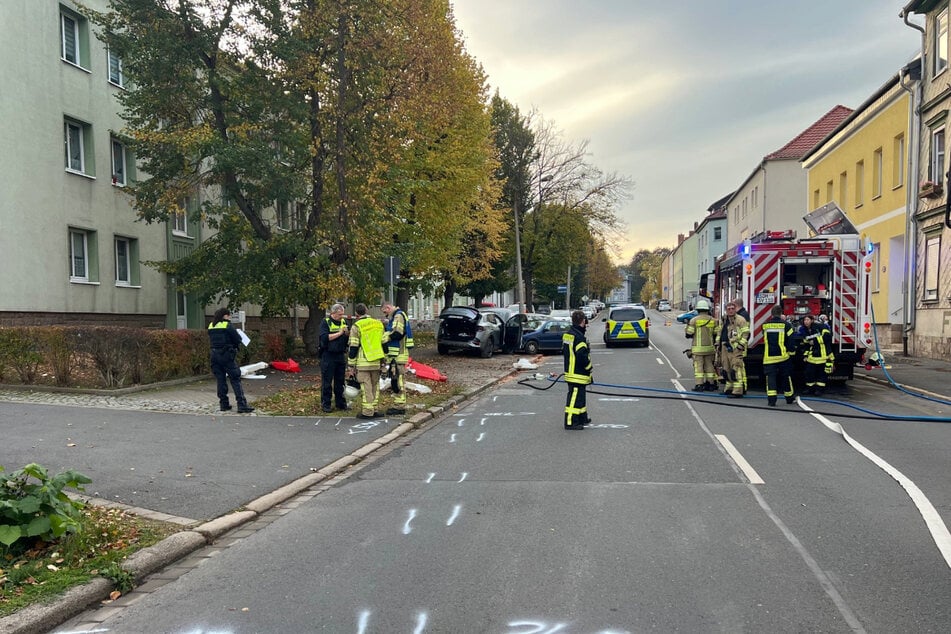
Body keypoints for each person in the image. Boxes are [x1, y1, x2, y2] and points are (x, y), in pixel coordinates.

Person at [207, 307, 254, 413]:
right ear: (225, 316)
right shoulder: (227, 325)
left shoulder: (211, 326)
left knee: (221, 380)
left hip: (214, 356)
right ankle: (241, 405)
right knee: (235, 379)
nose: (230, 318)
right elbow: (237, 339)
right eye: (229, 316)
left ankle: (224, 404)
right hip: (226, 355)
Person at [348, 303, 386, 419]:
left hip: (363, 362)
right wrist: (384, 361)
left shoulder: (357, 326)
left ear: (356, 314)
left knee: (366, 387)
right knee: (375, 386)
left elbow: (354, 347)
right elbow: (384, 343)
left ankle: (367, 412)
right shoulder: (378, 324)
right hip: (377, 361)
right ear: (367, 310)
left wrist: (351, 365)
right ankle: (374, 409)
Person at [562, 310, 593, 430]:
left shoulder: (568, 334)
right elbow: (582, 356)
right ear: (583, 321)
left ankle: (582, 418)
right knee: (574, 398)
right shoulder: (579, 337)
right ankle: (570, 422)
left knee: (580, 397)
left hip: (571, 371)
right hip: (577, 373)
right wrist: (589, 367)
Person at [762, 304, 796, 406]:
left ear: (771, 314)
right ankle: (789, 398)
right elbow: (791, 341)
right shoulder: (787, 325)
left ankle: (771, 401)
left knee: (771, 378)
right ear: (781, 313)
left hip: (769, 358)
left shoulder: (765, 325)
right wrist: (792, 353)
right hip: (783, 357)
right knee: (786, 377)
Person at [318, 303, 350, 413]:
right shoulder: (325, 322)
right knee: (327, 381)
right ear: (333, 313)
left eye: (342, 314)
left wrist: (347, 334)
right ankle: (326, 404)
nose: (341, 317)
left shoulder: (344, 322)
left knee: (340, 381)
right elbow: (324, 338)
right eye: (339, 314)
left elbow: (348, 337)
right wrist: (340, 333)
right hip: (328, 355)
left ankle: (340, 403)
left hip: (340, 354)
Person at [382, 302, 411, 415]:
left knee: (398, 380)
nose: (386, 315)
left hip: (399, 353)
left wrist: (387, 338)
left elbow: (398, 333)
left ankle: (399, 406)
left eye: (385, 312)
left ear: (388, 308)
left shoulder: (398, 316)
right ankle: (398, 403)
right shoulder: (397, 315)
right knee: (396, 379)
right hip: (398, 354)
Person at [716, 300, 749, 398]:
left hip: (735, 349)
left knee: (736, 369)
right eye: (728, 309)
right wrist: (717, 343)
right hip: (725, 347)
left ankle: (738, 391)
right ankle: (729, 388)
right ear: (726, 310)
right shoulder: (724, 319)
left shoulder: (740, 320)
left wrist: (740, 345)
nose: (730, 310)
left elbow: (746, 333)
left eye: (732, 309)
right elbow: (719, 331)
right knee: (726, 369)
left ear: (735, 309)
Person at [685, 298, 718, 391]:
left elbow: (689, 334)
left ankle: (699, 385)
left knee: (698, 367)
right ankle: (710, 384)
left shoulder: (694, 320)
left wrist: (687, 327)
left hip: (698, 349)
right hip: (710, 348)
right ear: (707, 309)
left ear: (698, 309)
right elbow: (716, 334)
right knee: (709, 366)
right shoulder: (713, 320)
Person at [797, 314, 834, 395]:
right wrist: (805, 356)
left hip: (823, 355)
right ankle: (810, 388)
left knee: (822, 374)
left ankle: (819, 390)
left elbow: (827, 337)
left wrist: (815, 341)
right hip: (812, 356)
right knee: (809, 373)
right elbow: (807, 344)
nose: (806, 322)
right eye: (805, 320)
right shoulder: (805, 330)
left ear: (812, 320)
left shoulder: (820, 327)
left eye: (808, 320)